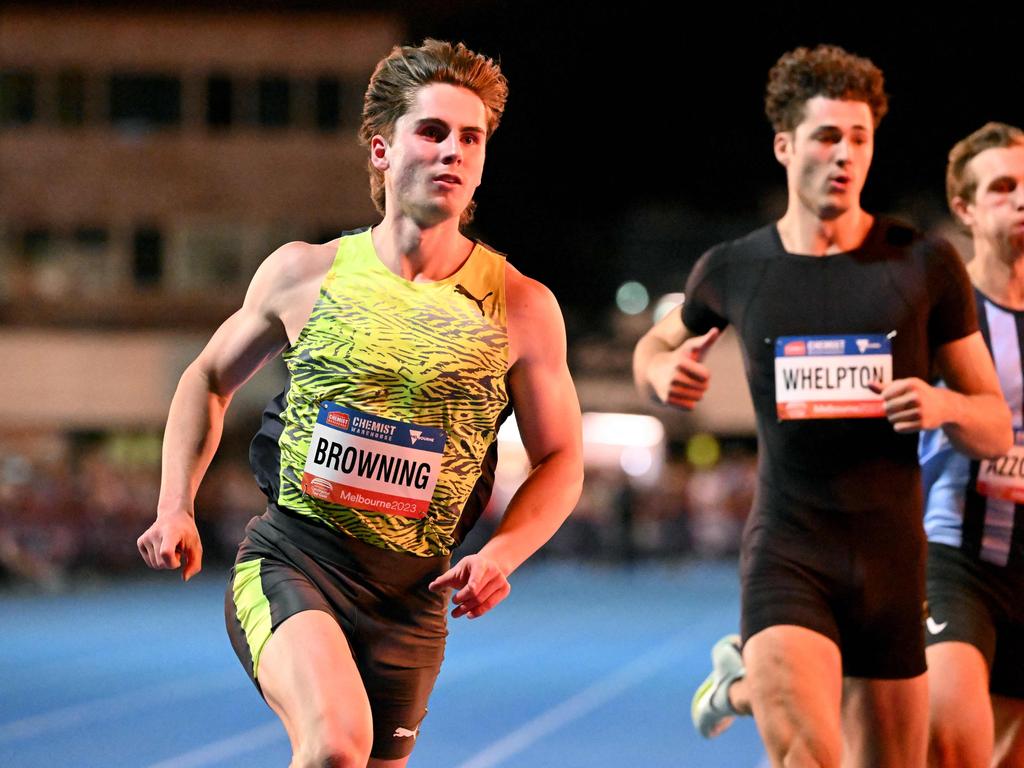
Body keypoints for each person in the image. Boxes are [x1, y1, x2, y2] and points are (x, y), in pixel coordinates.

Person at [137, 39, 583, 768]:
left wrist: (502, 552)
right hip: (295, 559)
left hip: (413, 595)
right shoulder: (303, 273)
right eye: (432, 132)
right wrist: (173, 505)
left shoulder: (523, 308)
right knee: (336, 745)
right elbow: (208, 378)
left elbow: (562, 458)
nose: (454, 152)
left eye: (470, 138)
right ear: (382, 151)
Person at [634, 44, 1011, 767]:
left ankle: (740, 686)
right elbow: (652, 346)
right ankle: (754, 670)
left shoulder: (925, 263)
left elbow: (992, 421)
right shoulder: (735, 267)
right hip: (789, 551)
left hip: (893, 563)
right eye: (826, 137)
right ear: (785, 146)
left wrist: (941, 405)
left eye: (859, 139)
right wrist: (660, 374)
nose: (844, 155)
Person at [920, 122, 1024, 768]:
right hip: (955, 557)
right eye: (1003, 187)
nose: (1021, 200)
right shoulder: (934, 308)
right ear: (964, 207)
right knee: (953, 746)